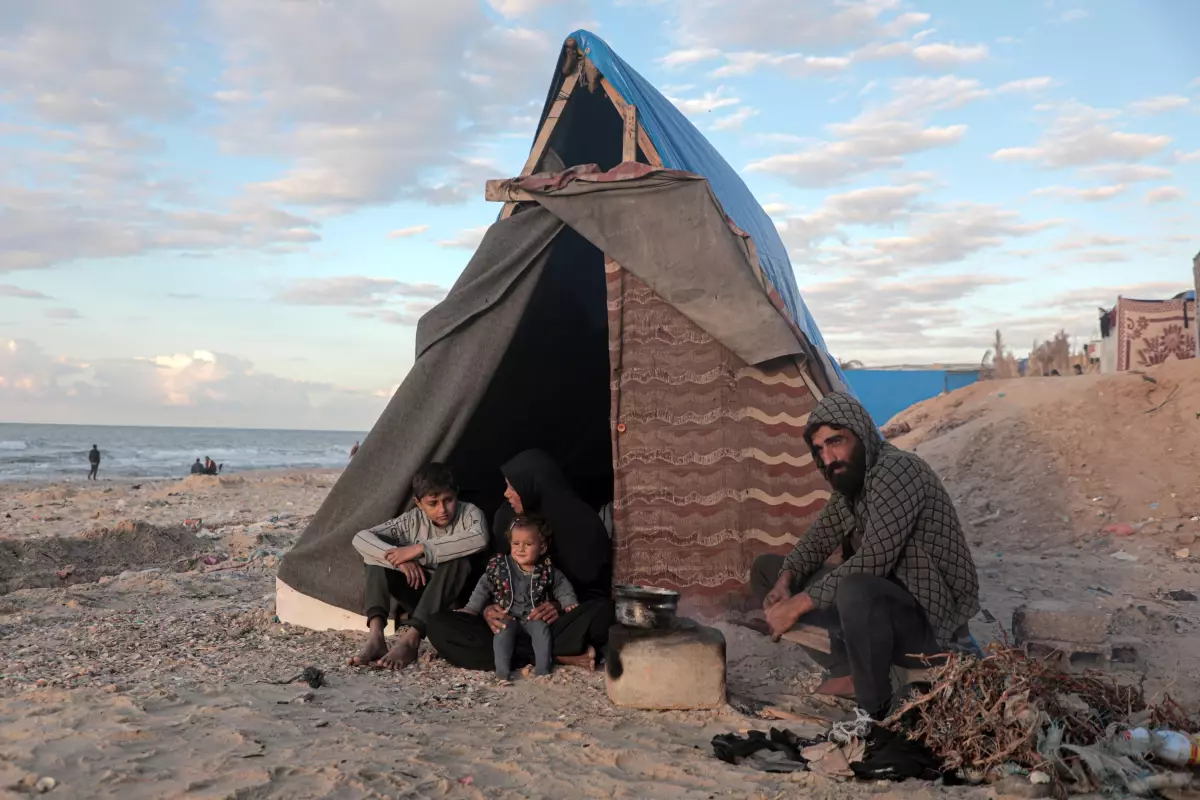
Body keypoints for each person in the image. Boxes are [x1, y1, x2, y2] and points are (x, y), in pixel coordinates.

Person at [752, 392, 980, 720]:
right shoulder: (854, 486)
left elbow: (875, 558)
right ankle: (849, 671)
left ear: (862, 433)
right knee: (767, 570)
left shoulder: (898, 470)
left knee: (855, 587)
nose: (829, 457)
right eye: (820, 449)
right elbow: (817, 540)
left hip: (933, 628)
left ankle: (876, 711)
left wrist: (797, 605)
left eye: (837, 441)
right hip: (880, 614)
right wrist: (786, 582)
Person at [426, 449, 614, 671]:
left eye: (512, 487)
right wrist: (488, 609)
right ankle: (555, 655)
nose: (506, 494)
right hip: (509, 619)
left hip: (554, 623)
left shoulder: (584, 525)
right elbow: (492, 577)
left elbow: (594, 593)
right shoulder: (507, 519)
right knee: (438, 625)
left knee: (607, 613)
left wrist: (559, 607)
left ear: (533, 485)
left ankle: (525, 653)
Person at [348, 462, 489, 670]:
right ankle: (376, 636)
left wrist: (419, 549)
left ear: (456, 495)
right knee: (374, 556)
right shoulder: (412, 520)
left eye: (448, 500)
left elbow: (480, 539)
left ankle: (411, 639)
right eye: (433, 503)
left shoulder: (469, 514)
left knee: (458, 559)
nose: (442, 510)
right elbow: (361, 538)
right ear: (419, 503)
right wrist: (400, 561)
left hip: (454, 603)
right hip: (420, 596)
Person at [461, 516, 578, 680]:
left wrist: (569, 602)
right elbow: (483, 586)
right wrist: (471, 608)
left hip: (533, 615)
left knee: (542, 632)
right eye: (516, 544)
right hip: (507, 614)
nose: (520, 549)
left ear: (542, 547)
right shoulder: (501, 567)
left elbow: (561, 585)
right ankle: (502, 672)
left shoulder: (547, 569)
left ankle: (543, 671)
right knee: (501, 633)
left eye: (528, 544)